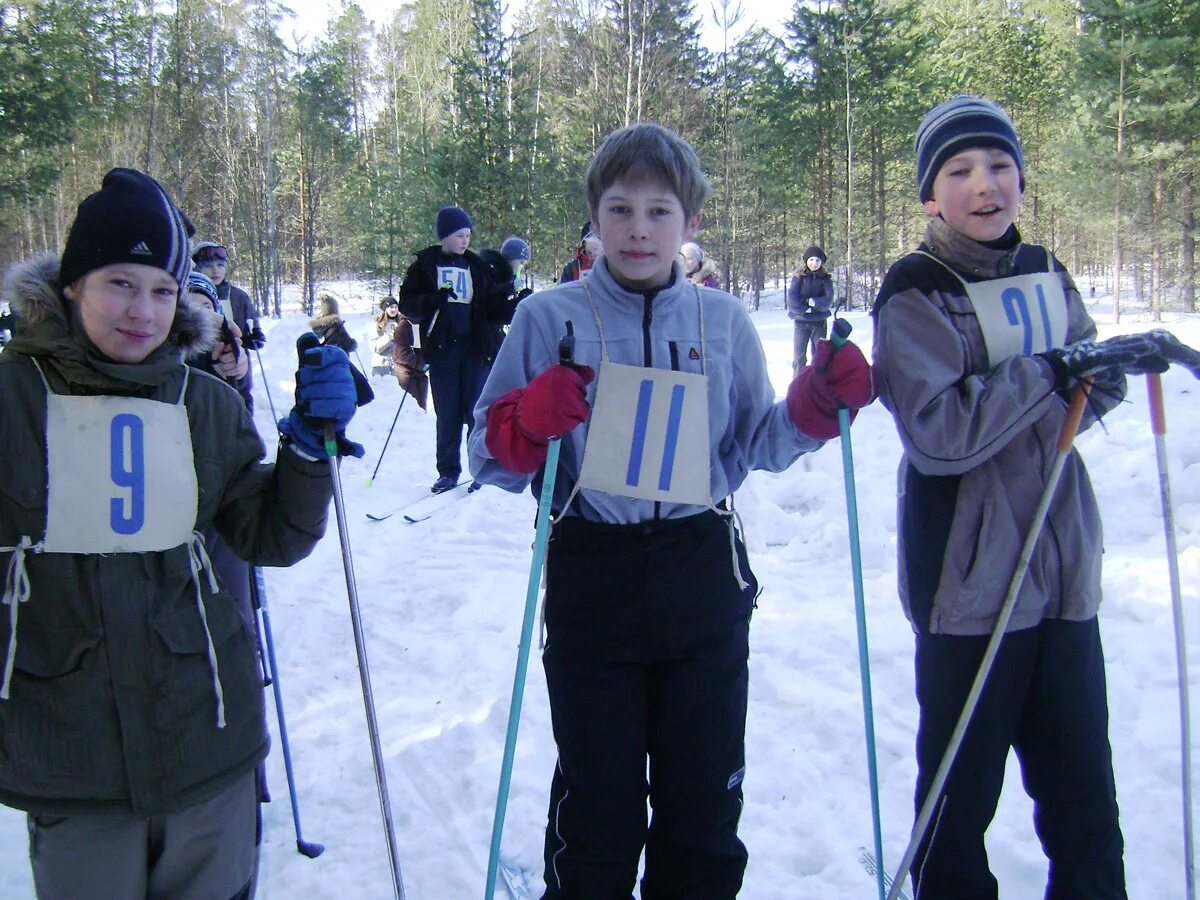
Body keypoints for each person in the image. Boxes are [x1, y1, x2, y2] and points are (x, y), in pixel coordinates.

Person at [468, 122, 874, 899]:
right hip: (594, 575)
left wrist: (817, 409)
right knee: (599, 815)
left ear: (690, 223)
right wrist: (528, 420)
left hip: (701, 574)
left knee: (703, 813)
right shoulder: (547, 317)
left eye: (660, 211)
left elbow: (757, 439)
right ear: (594, 218)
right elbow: (490, 455)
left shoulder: (720, 322)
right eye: (619, 210)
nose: (639, 230)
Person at [0, 167, 368, 900]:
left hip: (208, 739)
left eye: (163, 290)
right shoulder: (12, 400)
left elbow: (271, 537)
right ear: (73, 285)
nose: (143, 311)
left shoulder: (205, 403)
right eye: (119, 283)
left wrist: (307, 448)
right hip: (72, 759)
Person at [871, 95, 1128, 898]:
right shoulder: (916, 287)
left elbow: (1098, 385)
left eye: (999, 167)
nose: (984, 185)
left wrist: (1095, 370)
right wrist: (1048, 375)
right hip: (969, 583)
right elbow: (940, 434)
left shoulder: (1045, 269)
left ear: (1021, 179)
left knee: (1085, 798)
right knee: (959, 805)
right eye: (960, 171)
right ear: (929, 194)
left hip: (1060, 570)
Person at [399, 205, 515, 493]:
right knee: (448, 414)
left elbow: (490, 308)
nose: (465, 241)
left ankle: (478, 468)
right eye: (460, 235)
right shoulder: (425, 265)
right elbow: (407, 304)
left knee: (474, 412)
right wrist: (432, 300)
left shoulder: (476, 266)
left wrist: (513, 305)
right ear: (445, 236)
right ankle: (447, 471)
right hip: (442, 352)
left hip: (474, 350)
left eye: (468, 235)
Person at [786, 245, 834, 372]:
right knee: (799, 358)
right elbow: (792, 299)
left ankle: (818, 386)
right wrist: (804, 309)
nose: (814, 263)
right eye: (811, 260)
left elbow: (828, 300)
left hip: (819, 323)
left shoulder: (825, 278)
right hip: (801, 322)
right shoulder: (798, 277)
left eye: (817, 260)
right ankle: (798, 385)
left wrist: (813, 302)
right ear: (806, 261)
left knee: (820, 357)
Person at [372, 295, 401, 376]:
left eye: (396, 307)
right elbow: (374, 347)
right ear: (385, 309)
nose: (394, 309)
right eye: (391, 307)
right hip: (381, 366)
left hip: (398, 366)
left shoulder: (402, 323)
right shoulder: (378, 324)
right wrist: (389, 337)